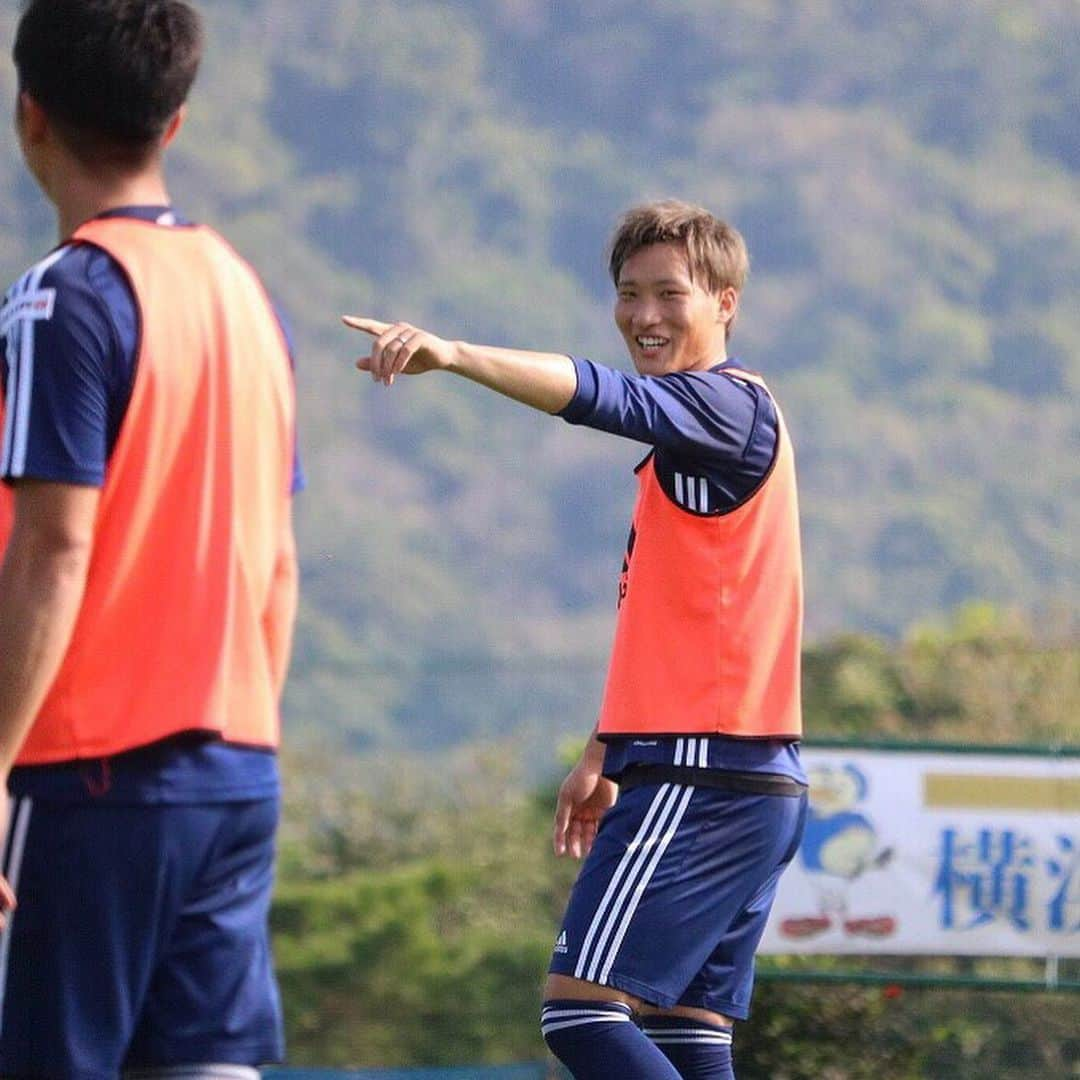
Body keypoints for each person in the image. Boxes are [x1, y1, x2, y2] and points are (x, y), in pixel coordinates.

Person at [344, 199, 808, 1080]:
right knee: (686, 1035)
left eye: (670, 293)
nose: (644, 316)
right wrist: (605, 750)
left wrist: (455, 354)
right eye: (628, 294)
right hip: (745, 780)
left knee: (581, 1014)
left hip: (703, 776)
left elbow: (599, 394)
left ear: (726, 303)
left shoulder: (723, 408)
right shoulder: (701, 439)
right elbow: (681, 627)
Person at [0, 2, 300, 1077]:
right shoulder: (247, 297)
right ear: (174, 122)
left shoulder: (61, 299)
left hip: (89, 775)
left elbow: (55, 548)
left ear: (29, 116)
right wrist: (250, 745)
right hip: (234, 771)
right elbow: (275, 558)